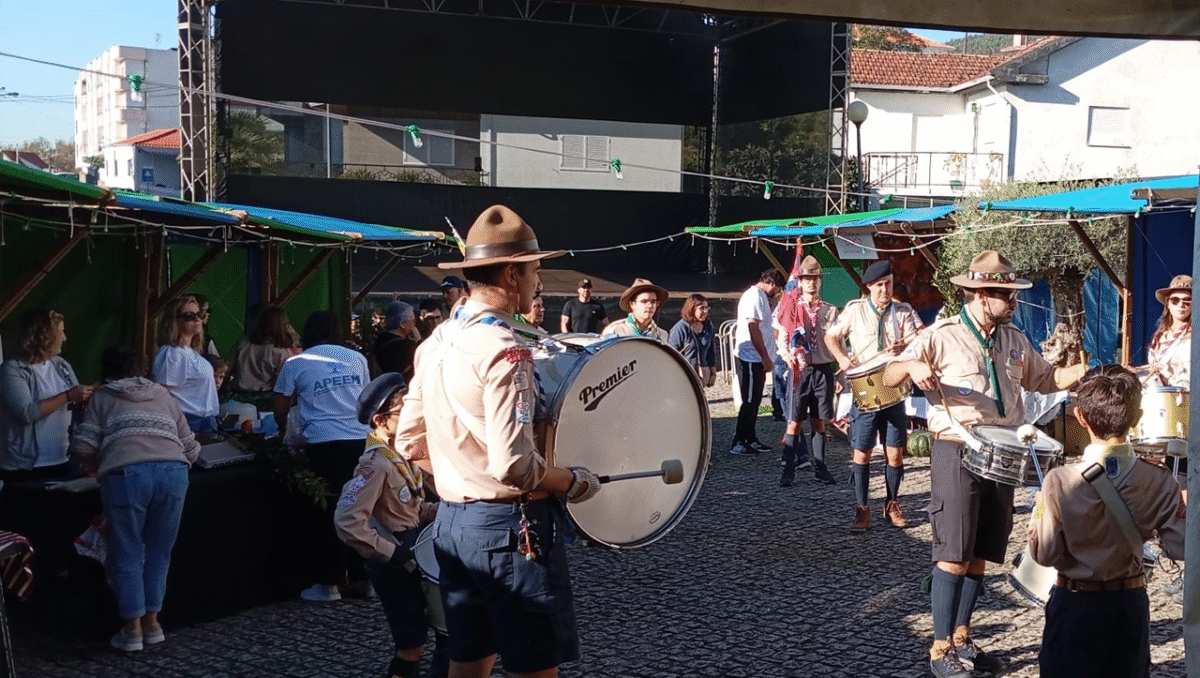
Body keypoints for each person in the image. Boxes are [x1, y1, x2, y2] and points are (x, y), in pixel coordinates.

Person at [394, 204, 602, 678]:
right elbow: (515, 467)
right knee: (533, 669)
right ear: (511, 274)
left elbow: (409, 442)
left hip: (453, 525)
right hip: (512, 529)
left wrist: (462, 472)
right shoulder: (507, 351)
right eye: (534, 271)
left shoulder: (436, 341)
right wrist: (573, 481)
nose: (537, 282)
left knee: (467, 665)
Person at [882, 250, 1086, 678]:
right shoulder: (943, 334)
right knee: (953, 554)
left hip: (1005, 452)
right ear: (979, 294)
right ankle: (939, 650)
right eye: (1005, 295)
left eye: (1012, 295)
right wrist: (912, 363)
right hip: (957, 448)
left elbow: (1044, 380)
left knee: (980, 554)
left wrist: (1077, 373)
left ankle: (962, 639)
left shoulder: (1013, 338)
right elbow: (889, 375)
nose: (1013, 302)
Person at [1029, 364, 1185, 678]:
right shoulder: (1159, 480)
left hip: (1074, 603)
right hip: (1128, 603)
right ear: (1137, 418)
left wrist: (1039, 512)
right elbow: (1180, 547)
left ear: (1080, 417)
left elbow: (1043, 554)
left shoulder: (1059, 481)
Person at [70, 346, 199, 652]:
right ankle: (153, 624)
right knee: (159, 552)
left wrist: (98, 461)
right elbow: (191, 447)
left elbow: (84, 446)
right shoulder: (163, 394)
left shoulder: (103, 397)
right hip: (173, 472)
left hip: (126, 475)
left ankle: (132, 630)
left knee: (126, 552)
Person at [335, 373, 441, 678]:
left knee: (445, 634)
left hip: (416, 550)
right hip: (395, 561)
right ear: (381, 421)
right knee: (411, 643)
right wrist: (391, 553)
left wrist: (442, 511)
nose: (414, 416)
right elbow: (347, 521)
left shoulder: (402, 455)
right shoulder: (375, 464)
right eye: (404, 411)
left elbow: (409, 509)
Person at [274, 310, 371, 603]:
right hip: (361, 440)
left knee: (328, 512)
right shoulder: (357, 358)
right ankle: (365, 578)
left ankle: (329, 584)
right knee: (360, 509)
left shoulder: (296, 362)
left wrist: (285, 432)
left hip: (323, 444)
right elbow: (367, 399)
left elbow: (280, 407)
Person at [825, 260, 924, 528]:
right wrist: (842, 359)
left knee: (895, 452)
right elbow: (830, 337)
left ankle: (892, 505)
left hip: (894, 387)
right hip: (865, 390)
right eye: (879, 285)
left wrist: (906, 348)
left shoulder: (903, 311)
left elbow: (920, 339)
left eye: (888, 284)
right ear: (869, 286)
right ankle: (862, 509)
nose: (885, 289)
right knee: (862, 452)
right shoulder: (855, 310)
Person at [0, 308, 92, 481]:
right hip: (26, 467)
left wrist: (89, 394)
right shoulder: (11, 370)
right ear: (43, 337)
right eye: (60, 332)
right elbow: (26, 413)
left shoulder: (61, 364)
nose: (64, 338)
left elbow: (76, 400)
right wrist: (68, 396)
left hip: (62, 459)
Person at [774, 256, 838, 486]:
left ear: (820, 281)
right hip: (800, 370)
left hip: (822, 369)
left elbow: (836, 341)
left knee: (819, 421)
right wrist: (787, 355)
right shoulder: (792, 308)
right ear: (799, 281)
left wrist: (841, 371)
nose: (811, 282)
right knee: (794, 421)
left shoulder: (830, 310)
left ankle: (821, 468)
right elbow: (782, 337)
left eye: (815, 278)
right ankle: (788, 471)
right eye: (807, 278)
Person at [731, 268, 785, 456]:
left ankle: (751, 438)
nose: (777, 292)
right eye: (777, 289)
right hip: (751, 357)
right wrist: (764, 356)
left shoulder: (761, 297)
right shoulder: (754, 296)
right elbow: (753, 326)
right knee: (749, 400)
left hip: (758, 357)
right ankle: (739, 440)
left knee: (755, 400)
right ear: (772, 284)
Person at [153, 296, 220, 434]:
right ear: (174, 322)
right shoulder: (172, 353)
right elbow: (161, 394)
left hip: (204, 420)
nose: (197, 319)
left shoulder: (189, 352)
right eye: (189, 316)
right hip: (189, 422)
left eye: (200, 314)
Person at [230, 304, 299, 394]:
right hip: (264, 397)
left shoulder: (244, 342)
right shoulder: (281, 353)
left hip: (237, 394)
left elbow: (229, 368)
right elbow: (284, 386)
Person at [1147, 274, 1191, 388]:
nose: (1181, 304)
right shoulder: (1160, 334)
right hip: (1161, 391)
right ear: (1168, 304)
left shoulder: (1195, 335)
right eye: (1175, 300)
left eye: (1187, 300)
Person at [668, 293, 717, 387]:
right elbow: (672, 357)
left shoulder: (708, 326)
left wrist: (713, 373)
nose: (705, 311)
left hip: (703, 377)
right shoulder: (679, 329)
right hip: (685, 377)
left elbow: (711, 352)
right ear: (692, 309)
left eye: (707, 308)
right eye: (701, 308)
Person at [603, 278, 670, 341]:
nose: (650, 306)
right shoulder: (616, 330)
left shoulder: (662, 335)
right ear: (632, 304)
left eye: (653, 302)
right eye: (644, 301)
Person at [374, 301, 420, 381]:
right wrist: (419, 342)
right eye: (413, 321)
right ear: (402, 324)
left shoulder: (379, 341)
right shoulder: (408, 347)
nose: (414, 325)